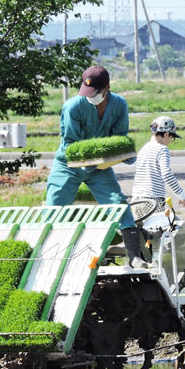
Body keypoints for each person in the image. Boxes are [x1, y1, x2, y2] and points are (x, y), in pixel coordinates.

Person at [45, 65, 141, 266]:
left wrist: (123, 153)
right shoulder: (73, 106)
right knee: (55, 206)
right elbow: (70, 142)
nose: (90, 96)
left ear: (107, 88)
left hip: (99, 168)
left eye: (95, 92)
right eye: (87, 92)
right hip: (68, 165)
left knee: (118, 203)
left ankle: (135, 257)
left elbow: (119, 137)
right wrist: (83, 162)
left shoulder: (119, 105)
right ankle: (49, 256)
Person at [131, 115, 185, 212]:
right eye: (172, 138)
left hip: (136, 200)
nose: (170, 141)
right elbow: (166, 174)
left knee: (142, 227)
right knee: (162, 226)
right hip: (153, 201)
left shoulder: (143, 149)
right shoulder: (162, 149)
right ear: (166, 135)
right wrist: (181, 194)